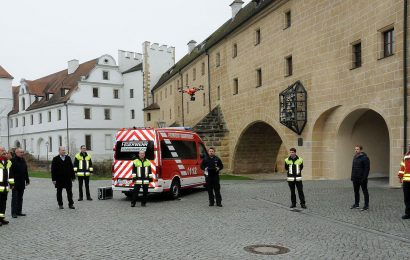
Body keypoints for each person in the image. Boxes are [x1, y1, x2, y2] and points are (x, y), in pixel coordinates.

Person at [10, 148, 30, 218]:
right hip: (15, 183)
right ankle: (14, 213)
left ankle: (19, 211)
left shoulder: (23, 160)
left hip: (22, 182)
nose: (22, 153)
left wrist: (27, 180)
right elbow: (10, 173)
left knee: (20, 198)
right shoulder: (12, 160)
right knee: (15, 198)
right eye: (21, 152)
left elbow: (25, 171)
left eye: (23, 152)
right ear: (16, 153)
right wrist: (11, 183)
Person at [350, 145, 370, 211]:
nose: (356, 150)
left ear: (361, 150)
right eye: (355, 149)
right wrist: (352, 177)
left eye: (357, 149)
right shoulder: (354, 157)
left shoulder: (365, 158)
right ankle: (356, 204)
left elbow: (367, 169)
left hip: (362, 178)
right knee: (356, 191)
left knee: (365, 192)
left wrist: (364, 178)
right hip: (355, 178)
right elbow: (353, 168)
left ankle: (366, 205)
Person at [0, 147, 14, 226]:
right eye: (2, 150)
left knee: (3, 203)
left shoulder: (8, 162)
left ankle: (1, 218)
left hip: (5, 187)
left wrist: (12, 184)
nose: (4, 152)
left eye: (4, 150)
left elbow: (10, 174)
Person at [398, 142, 410, 219]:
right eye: (409, 145)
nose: (409, 146)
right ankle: (408, 213)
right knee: (407, 198)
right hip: (406, 181)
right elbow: (402, 167)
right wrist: (400, 176)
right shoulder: (406, 156)